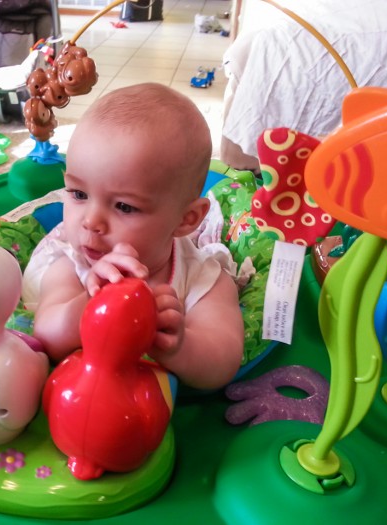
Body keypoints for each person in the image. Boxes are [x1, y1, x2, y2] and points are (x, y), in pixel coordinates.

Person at [22, 82, 244, 390]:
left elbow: (223, 361)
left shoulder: (201, 278)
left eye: (124, 206)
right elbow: (46, 335)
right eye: (78, 193)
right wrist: (89, 303)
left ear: (186, 219)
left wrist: (179, 346)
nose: (91, 222)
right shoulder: (72, 263)